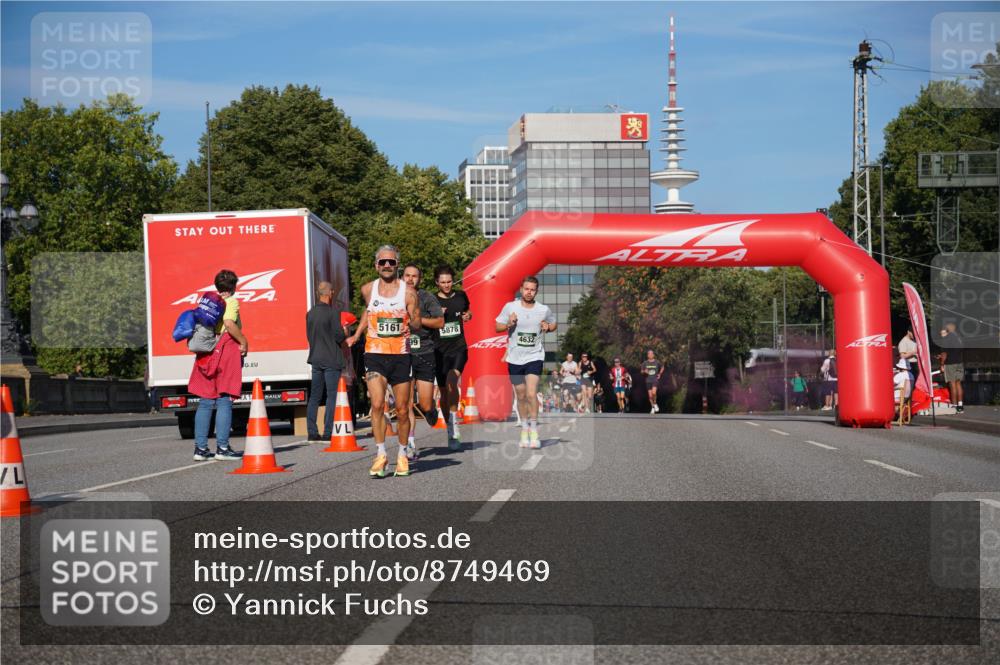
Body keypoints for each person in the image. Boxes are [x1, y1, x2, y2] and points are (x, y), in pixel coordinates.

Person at [346, 245, 421, 478]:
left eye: (391, 262)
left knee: (401, 409)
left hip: (400, 356)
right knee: (377, 405)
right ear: (376, 265)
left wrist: (413, 317)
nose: (387, 265)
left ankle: (401, 454)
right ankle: (380, 454)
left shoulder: (408, 292)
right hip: (375, 354)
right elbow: (368, 312)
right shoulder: (368, 289)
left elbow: (417, 324)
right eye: (382, 262)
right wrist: (357, 335)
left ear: (397, 264)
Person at [188, 269, 248, 461]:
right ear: (233, 286)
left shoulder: (207, 302)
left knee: (205, 401)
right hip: (225, 349)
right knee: (224, 399)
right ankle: (222, 448)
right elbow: (229, 324)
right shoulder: (231, 302)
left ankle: (200, 448)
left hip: (207, 351)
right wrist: (244, 341)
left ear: (217, 286)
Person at [495, 276, 556, 448]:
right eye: (526, 289)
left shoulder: (543, 309)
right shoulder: (510, 307)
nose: (529, 292)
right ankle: (524, 429)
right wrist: (509, 323)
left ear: (536, 291)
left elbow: (553, 324)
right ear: (521, 289)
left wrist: (547, 327)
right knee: (521, 397)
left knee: (531, 393)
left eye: (532, 289)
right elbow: (497, 327)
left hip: (534, 356)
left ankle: (534, 431)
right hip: (515, 358)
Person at [401, 263, 445, 456]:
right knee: (406, 402)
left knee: (424, 403)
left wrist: (417, 321)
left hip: (425, 352)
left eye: (414, 276)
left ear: (420, 279)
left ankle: (430, 410)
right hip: (402, 353)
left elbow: (440, 322)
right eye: (407, 275)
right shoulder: (394, 297)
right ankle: (410, 443)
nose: (410, 279)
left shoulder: (427, 297)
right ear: (401, 277)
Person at [433, 265, 472, 449]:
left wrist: (467, 315)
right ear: (437, 283)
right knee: (443, 391)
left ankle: (455, 425)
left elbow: (467, 312)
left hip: (458, 347)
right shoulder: (431, 300)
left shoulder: (461, 296)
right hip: (439, 351)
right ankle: (449, 426)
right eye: (443, 282)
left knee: (452, 381)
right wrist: (437, 316)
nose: (447, 285)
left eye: (449, 281)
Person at [305, 281, 348, 444]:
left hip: (316, 358)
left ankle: (312, 431)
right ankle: (328, 431)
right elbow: (339, 336)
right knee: (331, 396)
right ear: (329, 293)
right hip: (331, 359)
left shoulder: (310, 313)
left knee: (315, 396)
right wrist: (344, 331)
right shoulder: (333, 313)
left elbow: (309, 336)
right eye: (332, 291)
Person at [939, 322, 965, 413]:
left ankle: (953, 406)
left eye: (942, 333)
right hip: (959, 362)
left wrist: (942, 364)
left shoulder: (946, 339)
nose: (941, 335)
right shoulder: (958, 338)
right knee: (958, 384)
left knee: (952, 384)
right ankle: (960, 406)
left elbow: (944, 354)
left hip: (950, 363)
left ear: (946, 331)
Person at [641, 349, 663, 413]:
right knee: (650, 396)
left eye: (651, 354)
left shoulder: (657, 362)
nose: (650, 355)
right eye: (649, 354)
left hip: (655, 380)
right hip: (648, 380)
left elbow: (662, 367)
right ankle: (653, 407)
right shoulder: (645, 363)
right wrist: (644, 371)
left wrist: (660, 374)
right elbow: (641, 371)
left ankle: (655, 403)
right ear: (647, 355)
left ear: (653, 355)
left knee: (654, 393)